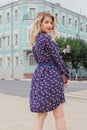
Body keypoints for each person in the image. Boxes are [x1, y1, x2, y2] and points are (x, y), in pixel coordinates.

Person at [29, 12, 69, 130]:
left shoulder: (35, 41)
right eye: (46, 22)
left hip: (39, 75)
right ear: (39, 23)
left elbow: (37, 60)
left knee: (41, 115)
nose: (49, 25)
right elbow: (57, 58)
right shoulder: (47, 38)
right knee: (59, 114)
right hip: (51, 75)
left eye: (51, 23)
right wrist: (66, 75)